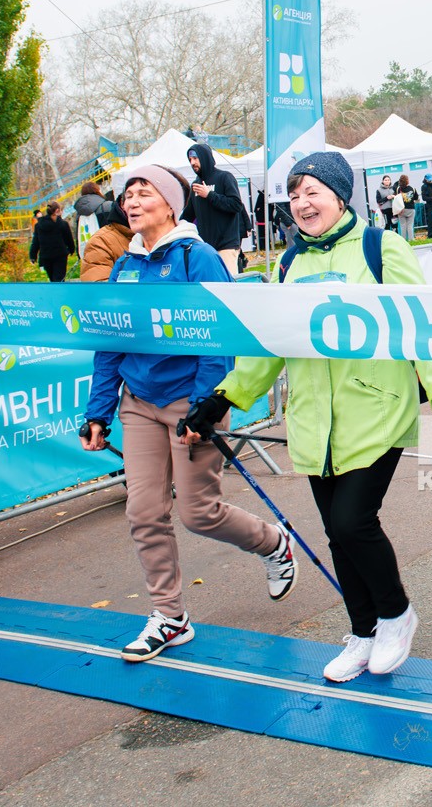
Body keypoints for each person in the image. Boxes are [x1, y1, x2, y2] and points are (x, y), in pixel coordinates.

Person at [183, 152, 432, 683]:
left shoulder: (383, 249)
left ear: (340, 195)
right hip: (314, 420)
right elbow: (273, 341)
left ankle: (397, 614)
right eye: (294, 194)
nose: (302, 203)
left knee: (352, 522)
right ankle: (362, 632)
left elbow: (423, 323)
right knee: (337, 535)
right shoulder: (290, 263)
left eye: (312, 191)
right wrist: (224, 397)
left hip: (376, 409)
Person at [79, 166, 296, 662]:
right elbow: (111, 340)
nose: (131, 201)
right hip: (138, 402)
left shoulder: (195, 257)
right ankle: (170, 617)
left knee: (199, 513)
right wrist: (99, 411)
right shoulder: (125, 265)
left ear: (172, 203)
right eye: (127, 195)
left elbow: (218, 338)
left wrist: (205, 406)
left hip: (191, 402)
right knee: (143, 511)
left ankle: (273, 544)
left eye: (144, 192)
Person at [183, 143, 245, 277]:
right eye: (190, 160)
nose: (192, 162)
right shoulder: (196, 184)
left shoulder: (225, 177)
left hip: (226, 245)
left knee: (227, 286)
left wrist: (209, 195)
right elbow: (187, 216)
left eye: (195, 158)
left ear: (204, 157)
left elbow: (236, 205)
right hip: (205, 248)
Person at [80, 194, 134, 282]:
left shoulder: (161, 237)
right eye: (131, 197)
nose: (138, 204)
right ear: (122, 204)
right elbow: (100, 291)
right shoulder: (100, 242)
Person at [28, 200, 75, 282]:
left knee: (52, 279)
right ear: (57, 211)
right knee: (59, 278)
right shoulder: (63, 224)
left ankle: (54, 293)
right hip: (60, 255)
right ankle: (60, 294)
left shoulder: (39, 225)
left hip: (46, 256)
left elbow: (36, 242)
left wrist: (33, 255)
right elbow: (69, 239)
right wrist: (71, 249)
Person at [393, 174, 418, 242]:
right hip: (411, 209)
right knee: (410, 225)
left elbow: (397, 197)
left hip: (401, 209)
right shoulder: (412, 188)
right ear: (407, 181)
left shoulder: (398, 189)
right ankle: (411, 239)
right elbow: (416, 198)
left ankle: (403, 240)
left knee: (403, 226)